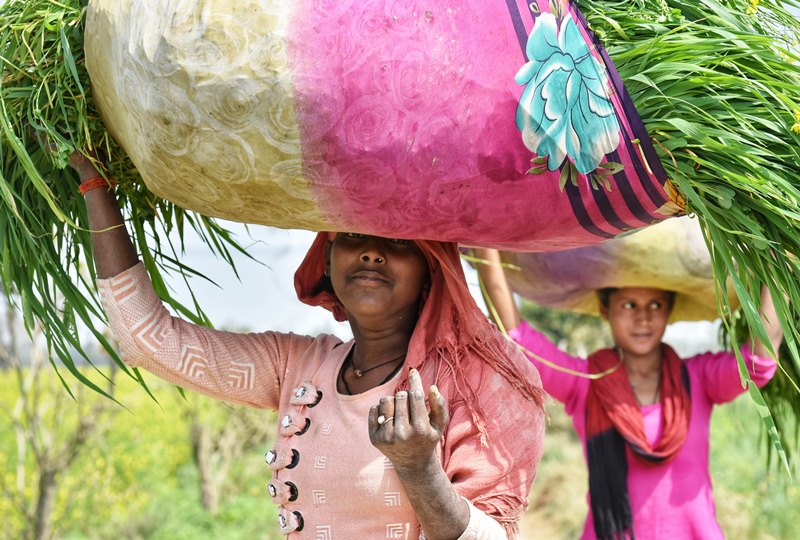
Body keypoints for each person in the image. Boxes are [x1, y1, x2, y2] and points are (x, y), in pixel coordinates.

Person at [70, 152, 547, 540]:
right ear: (328, 258)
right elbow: (146, 339)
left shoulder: (480, 382)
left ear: (430, 271)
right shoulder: (299, 367)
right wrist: (95, 185)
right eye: (353, 235)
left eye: (398, 240)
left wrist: (419, 468)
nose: (370, 251)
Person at [474, 248, 783, 540]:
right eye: (629, 305)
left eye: (656, 305)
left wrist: (777, 265)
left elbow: (760, 361)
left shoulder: (698, 378)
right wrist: (485, 248)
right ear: (604, 309)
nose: (643, 318)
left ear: (669, 311)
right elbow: (516, 338)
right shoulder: (586, 383)